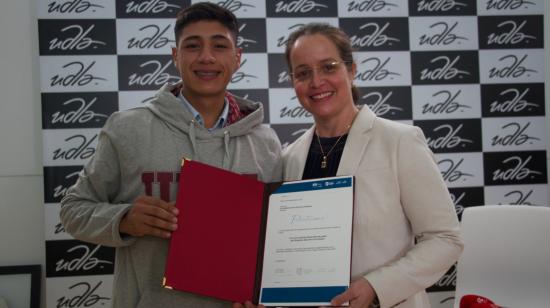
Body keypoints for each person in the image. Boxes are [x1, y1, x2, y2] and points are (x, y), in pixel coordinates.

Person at [60, 3, 282, 307]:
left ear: (237, 57)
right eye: (192, 46)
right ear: (175, 55)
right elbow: (72, 210)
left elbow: (274, 241)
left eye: (219, 46)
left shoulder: (265, 141)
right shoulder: (127, 128)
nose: (206, 57)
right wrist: (123, 219)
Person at [281, 23, 463, 308]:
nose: (316, 82)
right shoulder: (289, 158)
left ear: (351, 70)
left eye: (328, 67)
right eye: (303, 73)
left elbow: (446, 238)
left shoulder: (399, 141)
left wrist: (377, 287)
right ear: (293, 82)